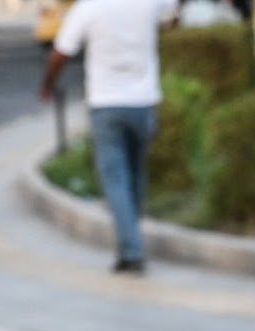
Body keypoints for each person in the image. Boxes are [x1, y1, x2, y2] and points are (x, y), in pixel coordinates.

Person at [40, 0, 179, 274]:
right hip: (144, 101)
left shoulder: (89, 8)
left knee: (115, 178)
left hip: (106, 103)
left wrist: (48, 84)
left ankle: (131, 250)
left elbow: (61, 52)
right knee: (136, 173)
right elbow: (172, 16)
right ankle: (131, 239)